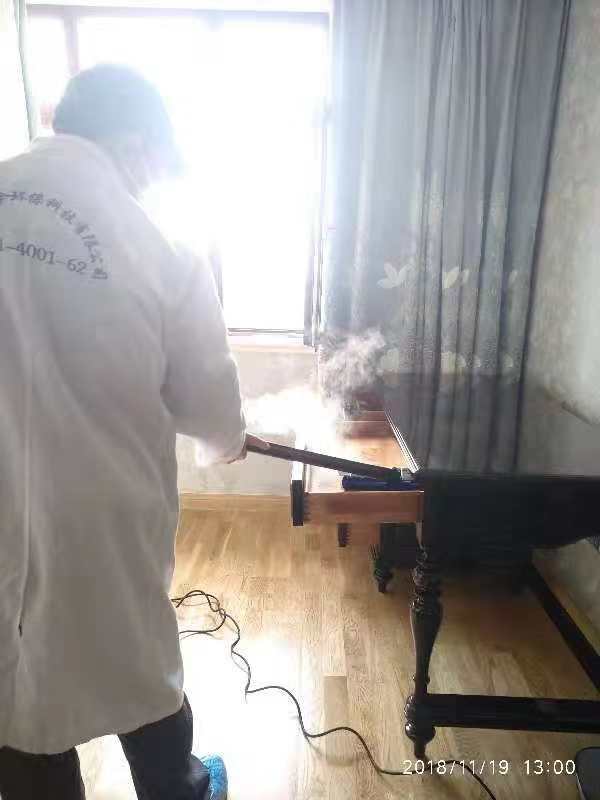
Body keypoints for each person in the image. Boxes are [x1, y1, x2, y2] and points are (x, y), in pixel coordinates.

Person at [0, 63, 267, 800]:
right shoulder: (161, 246)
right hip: (102, 513)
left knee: (14, 696)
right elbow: (209, 409)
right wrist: (228, 438)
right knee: (135, 662)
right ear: (139, 144)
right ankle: (177, 788)